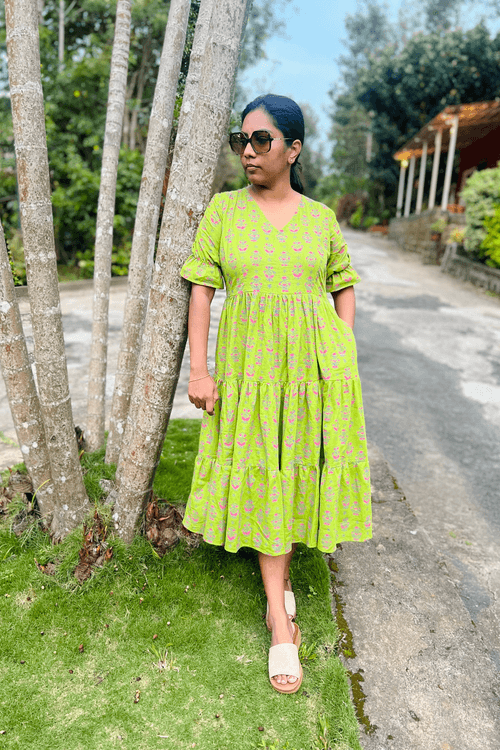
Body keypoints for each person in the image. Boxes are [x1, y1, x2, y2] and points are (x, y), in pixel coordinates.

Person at [179, 94, 372, 694]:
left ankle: (277, 587)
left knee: (296, 470)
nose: (248, 152)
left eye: (261, 140)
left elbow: (343, 283)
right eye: (242, 140)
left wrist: (339, 351)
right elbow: (203, 293)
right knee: (265, 469)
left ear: (293, 149)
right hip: (250, 373)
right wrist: (200, 371)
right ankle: (277, 620)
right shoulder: (224, 211)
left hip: (313, 373)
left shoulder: (319, 219)